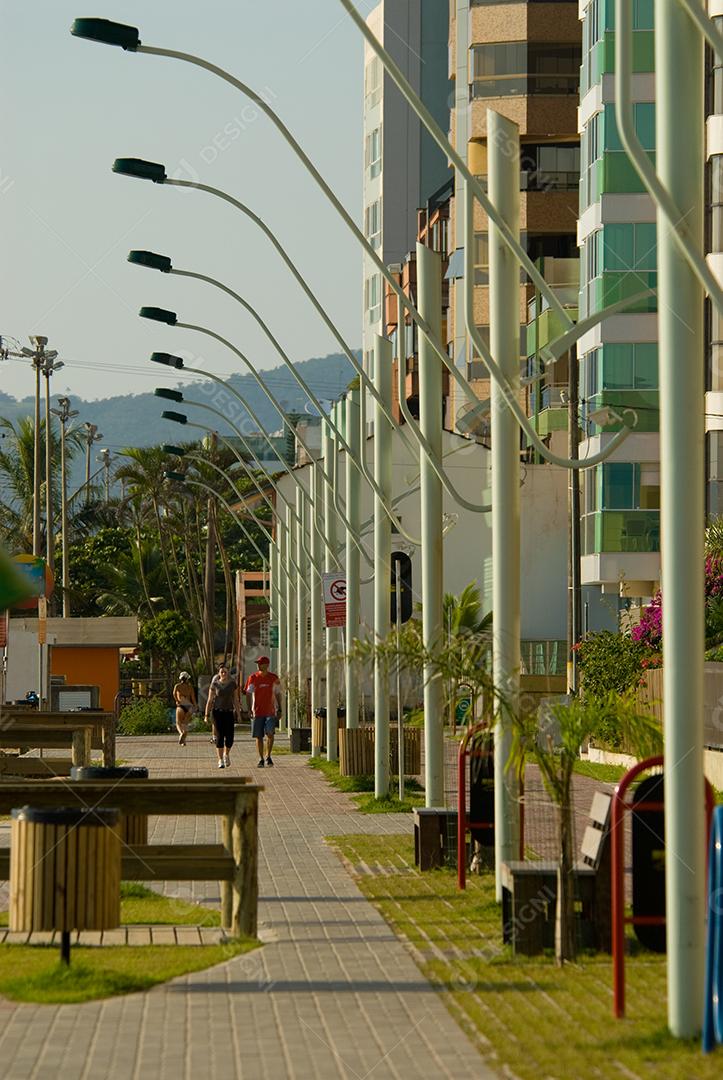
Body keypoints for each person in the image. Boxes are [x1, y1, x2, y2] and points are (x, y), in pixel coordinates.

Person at [244, 655, 282, 768]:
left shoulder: (273, 678)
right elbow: (248, 694)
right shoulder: (253, 677)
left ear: (266, 665)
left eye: (260, 663)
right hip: (257, 711)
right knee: (258, 736)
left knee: (270, 733)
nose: (258, 665)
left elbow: (278, 694)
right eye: (258, 663)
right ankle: (260, 758)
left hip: (270, 711)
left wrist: (280, 709)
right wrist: (249, 708)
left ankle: (268, 756)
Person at [204, 664, 240, 769]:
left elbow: (235, 700)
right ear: (219, 673)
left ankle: (226, 754)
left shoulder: (232, 684)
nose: (223, 673)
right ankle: (220, 760)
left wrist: (238, 714)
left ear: (228, 672)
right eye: (221, 672)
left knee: (230, 737)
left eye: (225, 671)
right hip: (217, 713)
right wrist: (206, 715)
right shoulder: (215, 684)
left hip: (228, 712)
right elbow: (210, 700)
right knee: (219, 737)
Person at [173, 671, 197, 746]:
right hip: (189, 705)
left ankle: (181, 734)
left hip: (181, 704)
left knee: (178, 722)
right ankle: (183, 740)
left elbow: (174, 694)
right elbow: (193, 698)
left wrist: (177, 700)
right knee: (185, 723)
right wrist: (195, 706)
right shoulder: (190, 687)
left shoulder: (177, 686)